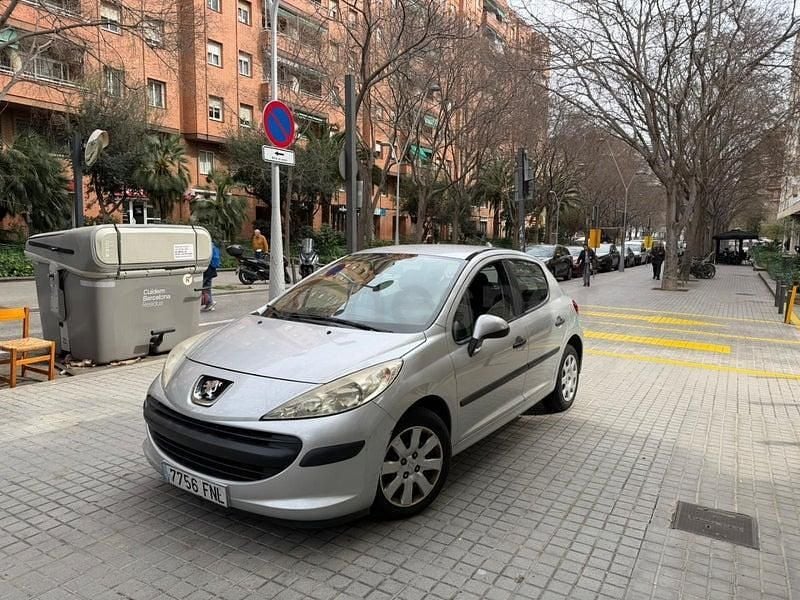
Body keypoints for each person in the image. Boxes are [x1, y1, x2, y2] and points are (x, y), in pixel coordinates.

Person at [201, 240, 221, 312]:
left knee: (201, 287)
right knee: (207, 288)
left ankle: (209, 302)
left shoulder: (208, 248)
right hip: (212, 270)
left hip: (207, 270)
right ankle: (210, 303)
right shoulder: (213, 247)